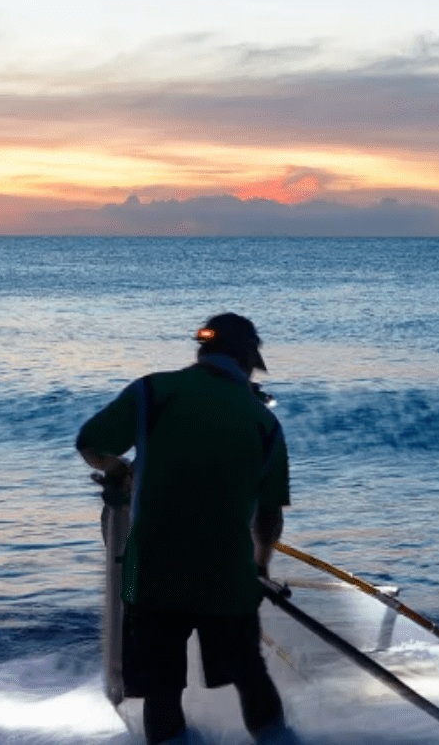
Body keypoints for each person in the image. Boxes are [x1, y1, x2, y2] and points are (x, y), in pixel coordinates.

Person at [78, 313, 291, 744]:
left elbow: (91, 442)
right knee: (250, 675)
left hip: (157, 571)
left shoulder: (153, 391)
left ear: (202, 352)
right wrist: (260, 566)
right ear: (248, 357)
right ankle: (277, 741)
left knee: (162, 686)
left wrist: (120, 470)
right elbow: (268, 516)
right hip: (227, 576)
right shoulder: (263, 420)